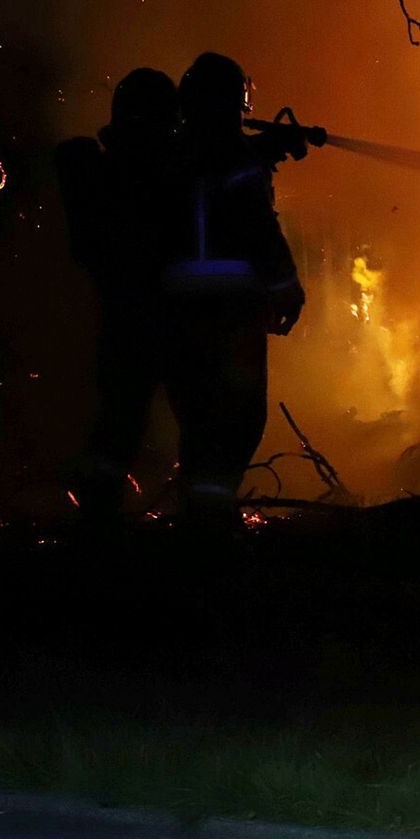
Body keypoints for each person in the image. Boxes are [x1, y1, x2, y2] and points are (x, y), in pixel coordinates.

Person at [162, 53, 305, 532]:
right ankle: (213, 518)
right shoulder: (237, 159)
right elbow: (256, 226)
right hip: (232, 308)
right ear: (234, 101)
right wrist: (287, 287)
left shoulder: (169, 153)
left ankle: (196, 512)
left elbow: (210, 179)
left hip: (177, 305)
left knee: (196, 414)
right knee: (241, 416)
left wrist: (263, 151)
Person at [57, 67, 182, 529]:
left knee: (121, 418)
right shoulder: (139, 168)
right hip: (154, 310)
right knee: (173, 417)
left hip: (124, 314)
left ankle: (95, 513)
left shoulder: (107, 166)